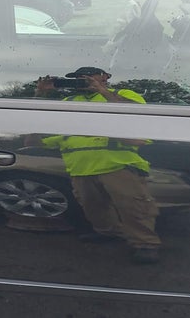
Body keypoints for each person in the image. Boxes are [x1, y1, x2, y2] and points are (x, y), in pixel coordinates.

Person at [37, 67, 162, 264]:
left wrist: (102, 90)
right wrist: (41, 94)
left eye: (87, 76)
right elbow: (42, 127)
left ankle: (145, 244)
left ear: (104, 77)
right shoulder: (68, 102)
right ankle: (109, 233)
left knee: (134, 208)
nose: (81, 80)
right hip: (80, 167)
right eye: (76, 78)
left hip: (118, 164)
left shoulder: (122, 94)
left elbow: (138, 114)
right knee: (93, 207)